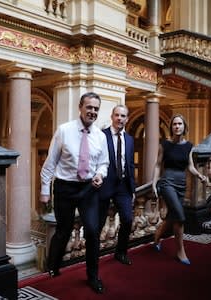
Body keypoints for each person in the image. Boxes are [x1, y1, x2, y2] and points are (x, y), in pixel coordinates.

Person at [40, 92, 109, 294]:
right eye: (89, 107)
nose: (93, 112)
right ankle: (52, 265)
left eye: (96, 109)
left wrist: (100, 174)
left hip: (89, 189)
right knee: (63, 229)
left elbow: (104, 162)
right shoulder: (64, 130)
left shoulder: (100, 136)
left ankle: (93, 276)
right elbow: (50, 162)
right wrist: (45, 190)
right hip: (65, 187)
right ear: (80, 107)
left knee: (93, 231)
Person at [151, 114, 207, 265]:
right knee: (180, 217)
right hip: (167, 182)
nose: (177, 126)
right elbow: (157, 165)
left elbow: (190, 166)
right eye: (174, 124)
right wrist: (154, 183)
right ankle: (180, 251)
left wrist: (200, 175)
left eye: (179, 124)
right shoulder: (165, 144)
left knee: (171, 216)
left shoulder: (189, 146)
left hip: (182, 184)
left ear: (184, 127)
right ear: (172, 127)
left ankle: (157, 237)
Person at [99, 104, 135, 265]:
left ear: (127, 119)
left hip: (123, 186)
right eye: (117, 115)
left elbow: (130, 164)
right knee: (98, 223)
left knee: (127, 220)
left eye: (123, 116)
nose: (120, 118)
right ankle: (93, 256)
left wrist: (132, 189)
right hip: (105, 185)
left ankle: (120, 252)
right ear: (112, 117)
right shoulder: (101, 135)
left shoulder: (129, 139)